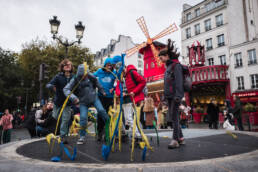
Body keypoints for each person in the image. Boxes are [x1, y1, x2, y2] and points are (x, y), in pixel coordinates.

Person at [63, 63, 109, 145]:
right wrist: (74, 98)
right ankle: (82, 136)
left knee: (101, 110)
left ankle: (109, 126)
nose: (84, 77)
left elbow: (98, 83)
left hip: (94, 98)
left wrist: (102, 91)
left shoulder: (91, 77)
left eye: (85, 74)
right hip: (83, 102)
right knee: (83, 118)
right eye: (82, 75)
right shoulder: (76, 79)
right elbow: (66, 89)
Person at [158, 39, 185, 149]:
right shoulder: (168, 67)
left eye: (161, 57)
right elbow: (167, 83)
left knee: (174, 118)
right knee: (173, 117)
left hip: (175, 96)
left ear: (167, 56)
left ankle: (175, 140)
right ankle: (181, 138)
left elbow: (179, 82)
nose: (160, 59)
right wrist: (165, 97)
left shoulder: (176, 66)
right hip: (169, 96)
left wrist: (178, 96)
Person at [46, 59, 74, 143]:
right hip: (58, 101)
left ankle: (63, 136)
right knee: (55, 117)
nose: (67, 66)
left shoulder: (74, 77)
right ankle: (53, 132)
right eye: (65, 65)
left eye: (69, 65)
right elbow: (48, 84)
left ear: (71, 67)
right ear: (62, 67)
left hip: (68, 102)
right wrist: (52, 86)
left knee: (65, 119)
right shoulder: (58, 77)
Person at [94, 57, 116, 142]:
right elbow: (92, 76)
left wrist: (113, 88)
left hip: (109, 97)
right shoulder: (100, 71)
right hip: (100, 96)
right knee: (100, 114)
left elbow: (119, 82)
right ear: (105, 65)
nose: (109, 67)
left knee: (108, 115)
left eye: (110, 65)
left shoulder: (113, 73)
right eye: (108, 65)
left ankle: (107, 132)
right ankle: (99, 132)